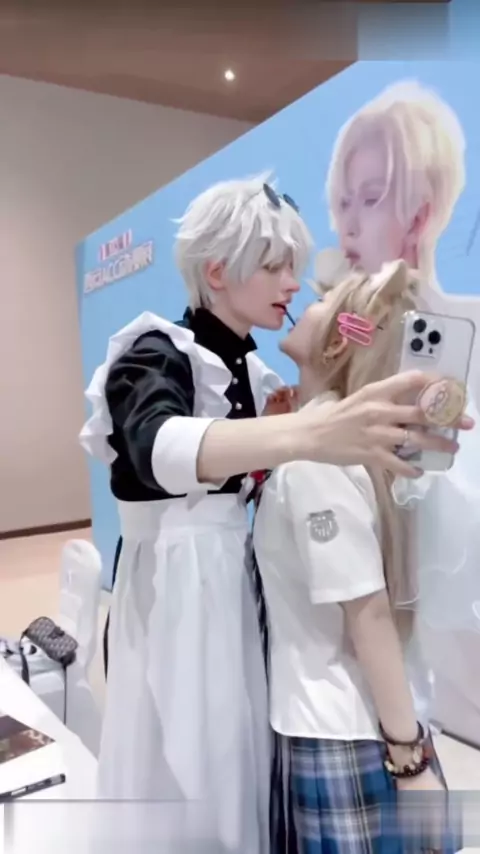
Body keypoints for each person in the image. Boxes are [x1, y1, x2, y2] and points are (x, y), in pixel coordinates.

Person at [79, 174, 469, 852]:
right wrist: (306, 433)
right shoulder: (154, 351)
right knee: (183, 769)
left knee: (242, 769)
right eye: (275, 266)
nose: (293, 283)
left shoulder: (260, 381)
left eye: (296, 267)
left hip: (244, 600)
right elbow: (156, 447)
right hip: (175, 600)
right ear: (217, 272)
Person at [254, 260, 461, 853]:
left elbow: (367, 615)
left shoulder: (317, 462)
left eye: (322, 300)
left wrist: (409, 760)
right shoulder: (322, 445)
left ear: (338, 341)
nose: (302, 297)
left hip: (346, 735)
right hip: (357, 725)